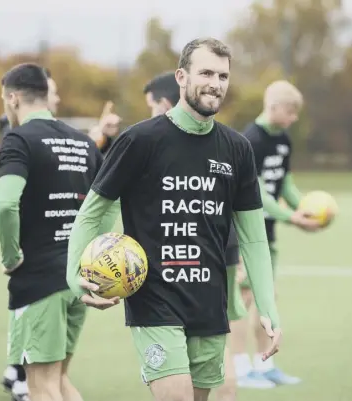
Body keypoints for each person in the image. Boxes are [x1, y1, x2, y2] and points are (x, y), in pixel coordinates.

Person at [66, 38, 281, 401]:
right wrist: (75, 275)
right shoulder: (140, 140)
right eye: (206, 72)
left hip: (210, 303)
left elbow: (255, 237)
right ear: (182, 77)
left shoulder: (237, 149)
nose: (216, 82)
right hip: (154, 300)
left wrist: (269, 308)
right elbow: (93, 210)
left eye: (223, 75)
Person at [0, 63, 108, 401]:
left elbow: (5, 204)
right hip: (77, 277)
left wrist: (11, 256)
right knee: (58, 381)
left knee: (40, 386)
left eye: (4, 99)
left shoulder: (19, 138)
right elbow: (107, 204)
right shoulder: (83, 143)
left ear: (13, 98)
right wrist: (94, 257)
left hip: (39, 281)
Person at [143, 70, 247, 401]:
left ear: (162, 102)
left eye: (150, 107)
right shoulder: (212, 136)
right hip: (222, 245)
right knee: (220, 333)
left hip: (196, 250)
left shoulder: (169, 140)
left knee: (210, 335)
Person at [230, 80, 322, 388]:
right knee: (243, 296)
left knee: (268, 297)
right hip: (243, 230)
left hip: (266, 232)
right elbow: (255, 190)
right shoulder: (249, 140)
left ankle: (263, 364)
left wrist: (306, 208)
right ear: (273, 107)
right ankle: (240, 367)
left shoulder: (283, 139)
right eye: (291, 111)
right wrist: (291, 217)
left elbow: (284, 183)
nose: (294, 118)